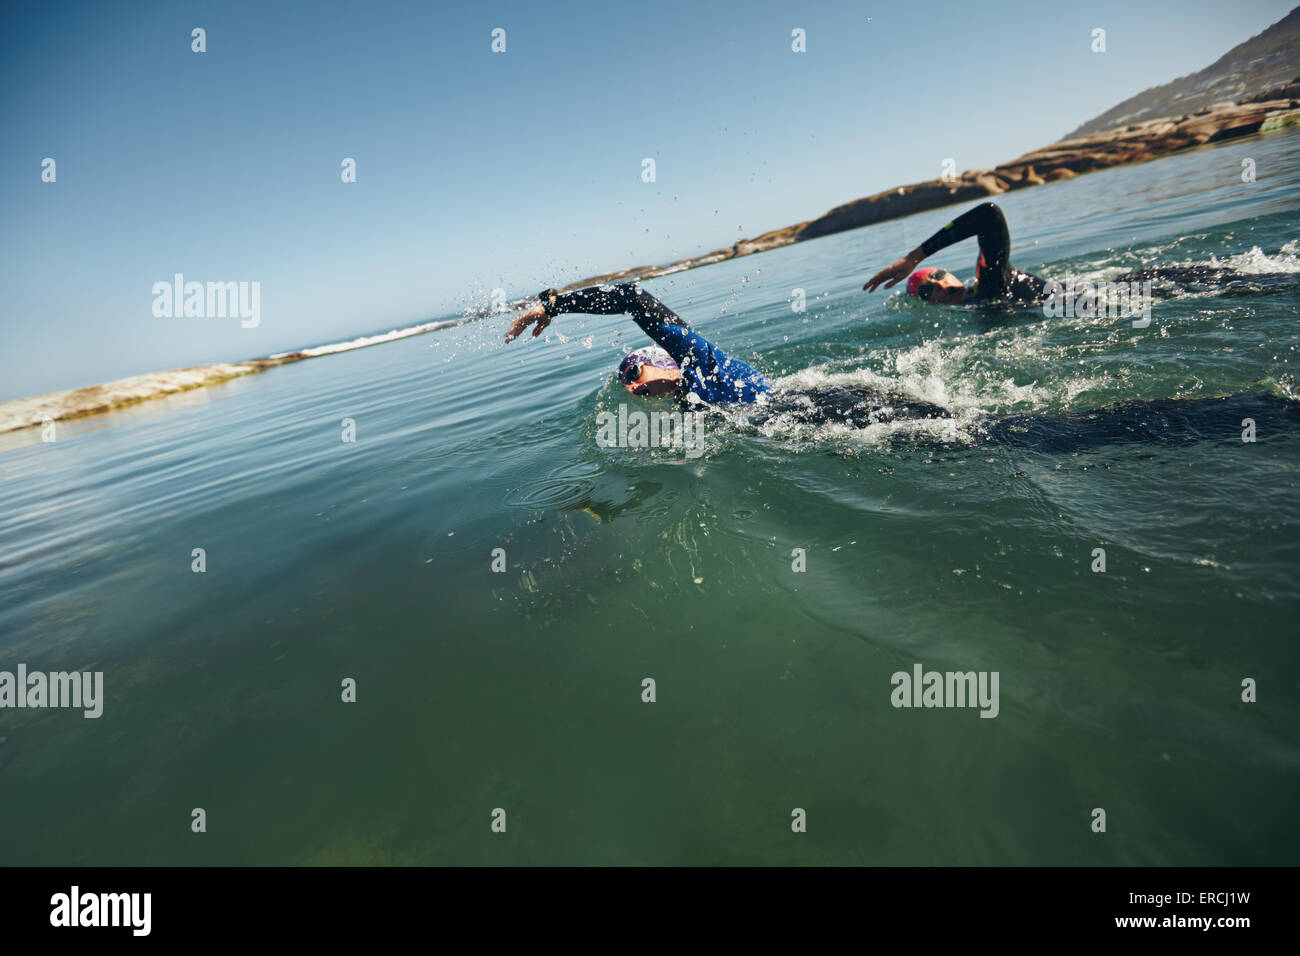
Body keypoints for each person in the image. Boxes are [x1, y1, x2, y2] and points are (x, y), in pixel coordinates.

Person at [505, 283, 950, 423]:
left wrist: (554, 304)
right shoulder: (687, 407)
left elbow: (633, 297)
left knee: (970, 431)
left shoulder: (699, 360)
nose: (629, 383)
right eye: (626, 378)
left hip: (825, 405)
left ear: (663, 360)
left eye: (634, 370)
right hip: (809, 421)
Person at [863, 201, 1046, 305]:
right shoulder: (976, 310)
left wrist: (914, 258)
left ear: (948, 273)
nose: (940, 285)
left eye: (938, 276)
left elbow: (989, 216)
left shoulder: (990, 280)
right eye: (927, 291)